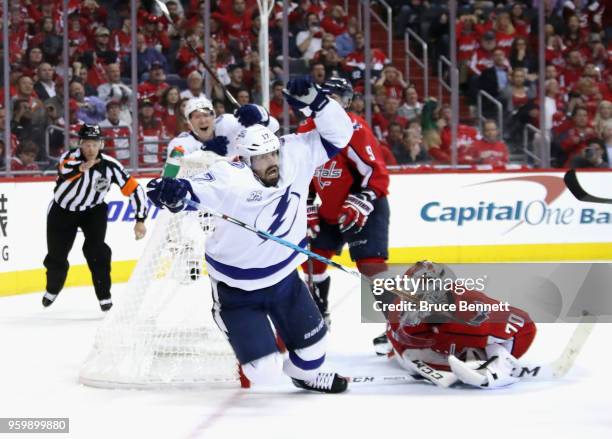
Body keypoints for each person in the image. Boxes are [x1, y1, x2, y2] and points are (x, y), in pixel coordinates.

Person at [147, 77, 353, 393]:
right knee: (264, 375)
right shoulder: (229, 178)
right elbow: (190, 191)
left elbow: (341, 133)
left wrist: (319, 103)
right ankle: (223, 313)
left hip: (286, 280)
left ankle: (303, 376)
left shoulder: (295, 152)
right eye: (261, 158)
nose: (272, 162)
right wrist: (172, 192)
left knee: (314, 353)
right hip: (238, 290)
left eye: (273, 154)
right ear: (245, 159)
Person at [297, 77, 390, 326]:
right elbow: (301, 172)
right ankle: (318, 313)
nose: (336, 105)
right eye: (331, 98)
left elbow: (377, 174)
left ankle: (399, 323)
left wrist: (362, 199)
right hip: (329, 211)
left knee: (371, 267)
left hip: (364, 208)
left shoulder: (355, 129)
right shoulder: (306, 129)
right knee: (311, 259)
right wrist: (306, 204)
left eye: (341, 99)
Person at [374, 261, 536, 389]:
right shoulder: (402, 313)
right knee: (408, 352)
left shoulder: (473, 308)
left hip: (462, 339)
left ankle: (495, 362)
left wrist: (505, 359)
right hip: (435, 343)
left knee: (490, 345)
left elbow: (525, 325)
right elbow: (397, 337)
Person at [42, 124, 148, 311]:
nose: (91, 148)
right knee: (57, 255)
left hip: (93, 211)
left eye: (95, 144)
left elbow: (134, 189)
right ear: (80, 144)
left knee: (97, 251)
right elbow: (64, 170)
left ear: (101, 144)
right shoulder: (69, 157)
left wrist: (140, 220)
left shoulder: (111, 166)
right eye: (87, 144)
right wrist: (83, 168)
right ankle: (53, 288)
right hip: (62, 210)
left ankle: (104, 294)